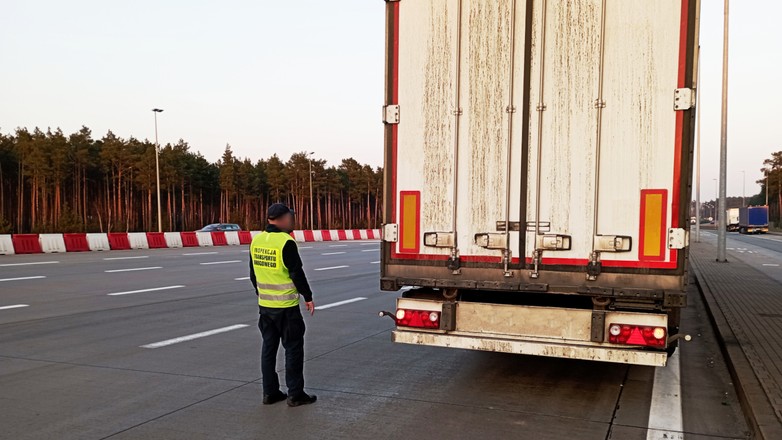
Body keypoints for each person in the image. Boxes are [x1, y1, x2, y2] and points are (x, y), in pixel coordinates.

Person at [249, 203, 317, 407]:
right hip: (286, 308)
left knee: (268, 349)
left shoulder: (257, 240)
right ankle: (295, 394)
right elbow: (296, 273)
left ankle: (269, 392)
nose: (292, 220)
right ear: (282, 219)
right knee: (293, 348)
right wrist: (308, 296)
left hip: (265, 306)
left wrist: (261, 295)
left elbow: (253, 274)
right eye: (290, 217)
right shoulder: (286, 242)